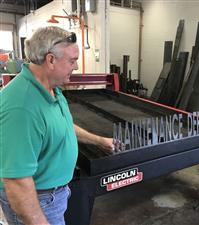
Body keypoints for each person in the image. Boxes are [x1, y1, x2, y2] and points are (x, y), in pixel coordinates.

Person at [0, 26, 115, 225]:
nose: (77, 66)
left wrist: (100, 141)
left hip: (54, 194)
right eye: (72, 60)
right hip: (38, 202)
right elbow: (17, 182)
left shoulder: (51, 88)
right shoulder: (22, 108)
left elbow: (63, 126)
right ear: (51, 59)